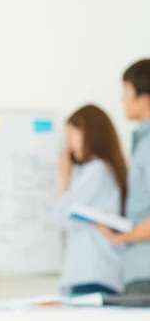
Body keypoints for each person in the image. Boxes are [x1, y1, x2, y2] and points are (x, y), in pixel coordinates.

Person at [53, 105, 127, 296]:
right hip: (93, 273)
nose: (69, 146)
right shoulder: (98, 171)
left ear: (90, 135)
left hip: (91, 273)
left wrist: (63, 178)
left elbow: (62, 216)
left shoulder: (97, 170)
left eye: (72, 136)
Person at [98, 59, 150, 298]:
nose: (122, 100)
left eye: (126, 92)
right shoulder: (142, 142)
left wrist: (123, 236)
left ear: (144, 97)